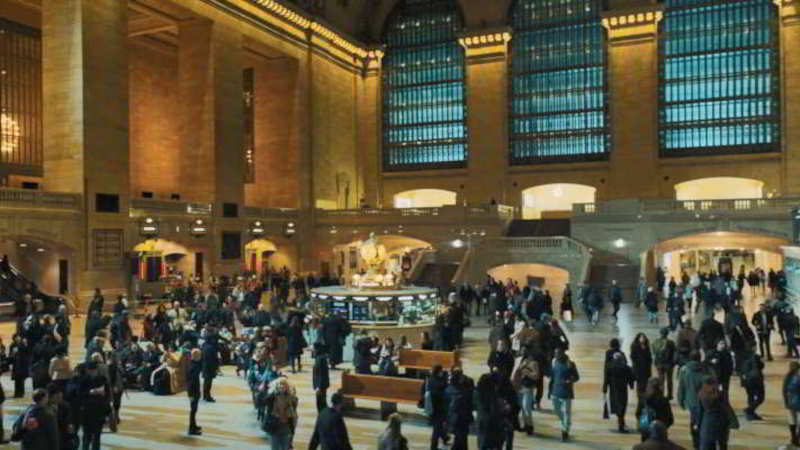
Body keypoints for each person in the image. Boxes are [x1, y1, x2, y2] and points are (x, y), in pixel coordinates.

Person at [677, 351, 705, 449]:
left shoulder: (684, 370)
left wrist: (680, 400)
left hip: (691, 401)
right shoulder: (704, 369)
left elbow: (681, 387)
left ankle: (695, 442)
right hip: (704, 400)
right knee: (702, 420)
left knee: (693, 420)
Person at [550, 348, 579, 442]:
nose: (556, 355)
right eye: (555, 353)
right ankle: (565, 422)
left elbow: (576, 377)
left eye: (557, 353)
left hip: (567, 392)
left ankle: (565, 431)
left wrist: (570, 380)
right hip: (555, 391)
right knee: (556, 410)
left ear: (562, 353)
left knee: (566, 412)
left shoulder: (570, 364)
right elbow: (552, 375)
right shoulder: (554, 362)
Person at [80, 361, 110, 450]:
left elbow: (107, 394)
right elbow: (79, 394)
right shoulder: (83, 380)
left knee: (97, 436)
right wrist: (91, 392)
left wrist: (103, 393)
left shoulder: (102, 379)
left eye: (94, 370)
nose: (92, 372)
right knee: (87, 435)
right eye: (90, 370)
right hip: (87, 411)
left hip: (99, 411)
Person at [697, 376, 733, 450]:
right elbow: (725, 407)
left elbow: (699, 411)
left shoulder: (702, 393)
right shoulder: (721, 393)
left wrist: (698, 423)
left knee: (708, 444)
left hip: (707, 422)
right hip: (721, 421)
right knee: (722, 444)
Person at [604, 351, 635, 433]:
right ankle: (621, 424)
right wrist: (631, 385)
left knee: (617, 405)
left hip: (613, 389)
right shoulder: (625, 367)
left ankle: (621, 422)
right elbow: (631, 377)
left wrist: (605, 387)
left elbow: (606, 378)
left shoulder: (609, 366)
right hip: (623, 389)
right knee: (623, 405)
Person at [264, 377, 298, 450]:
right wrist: (271, 390)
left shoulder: (291, 398)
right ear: (277, 386)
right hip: (274, 427)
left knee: (285, 447)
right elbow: (263, 401)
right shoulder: (272, 397)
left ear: (287, 386)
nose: (282, 386)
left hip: (286, 428)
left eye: (284, 384)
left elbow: (294, 415)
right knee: (275, 448)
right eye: (280, 384)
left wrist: (292, 433)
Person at [445, 367, 473, 450]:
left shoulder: (451, 388)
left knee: (460, 438)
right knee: (461, 438)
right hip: (460, 417)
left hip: (457, 417)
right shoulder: (463, 388)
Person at [512, 353, 539, 435]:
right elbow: (515, 372)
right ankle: (526, 425)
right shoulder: (518, 361)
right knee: (522, 408)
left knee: (526, 407)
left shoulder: (534, 363)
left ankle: (530, 425)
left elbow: (536, 376)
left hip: (528, 388)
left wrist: (528, 373)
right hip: (519, 387)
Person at [638, 378, 673, 442]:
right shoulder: (664, 400)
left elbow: (637, 414)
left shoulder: (643, 399)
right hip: (660, 433)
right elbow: (670, 419)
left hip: (646, 431)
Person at [423, 364, 448, 450]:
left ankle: (445, 437)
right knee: (437, 428)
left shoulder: (429, 379)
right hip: (439, 407)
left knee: (438, 426)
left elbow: (423, 389)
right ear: (439, 371)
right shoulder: (440, 382)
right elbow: (444, 393)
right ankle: (433, 447)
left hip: (431, 406)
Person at [652, 328, 676, 400]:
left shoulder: (655, 342)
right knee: (669, 380)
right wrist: (673, 362)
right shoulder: (671, 342)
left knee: (661, 380)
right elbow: (675, 352)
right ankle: (669, 395)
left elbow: (654, 352)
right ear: (667, 334)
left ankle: (661, 394)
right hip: (668, 364)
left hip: (659, 364)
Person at [741, 351, 765, 421]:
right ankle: (749, 411)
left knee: (751, 396)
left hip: (748, 380)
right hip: (755, 380)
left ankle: (751, 412)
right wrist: (761, 362)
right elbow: (761, 367)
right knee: (760, 397)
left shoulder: (743, 356)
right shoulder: (755, 357)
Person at [783, 361, 800, 446]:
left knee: (792, 421)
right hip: (798, 402)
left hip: (790, 402)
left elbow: (784, 390)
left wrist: (786, 402)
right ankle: (796, 438)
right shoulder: (798, 377)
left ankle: (794, 438)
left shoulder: (787, 377)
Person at [187, 348, 202, 436]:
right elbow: (190, 382)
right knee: (193, 411)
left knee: (194, 410)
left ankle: (193, 426)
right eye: (199, 355)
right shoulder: (193, 367)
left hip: (195, 390)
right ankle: (191, 429)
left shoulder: (193, 364)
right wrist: (190, 394)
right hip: (193, 391)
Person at [312, 340, 330, 412]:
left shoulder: (320, 359)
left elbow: (321, 374)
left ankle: (323, 415)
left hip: (321, 385)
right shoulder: (321, 358)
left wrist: (318, 386)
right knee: (321, 402)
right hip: (322, 384)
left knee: (320, 402)